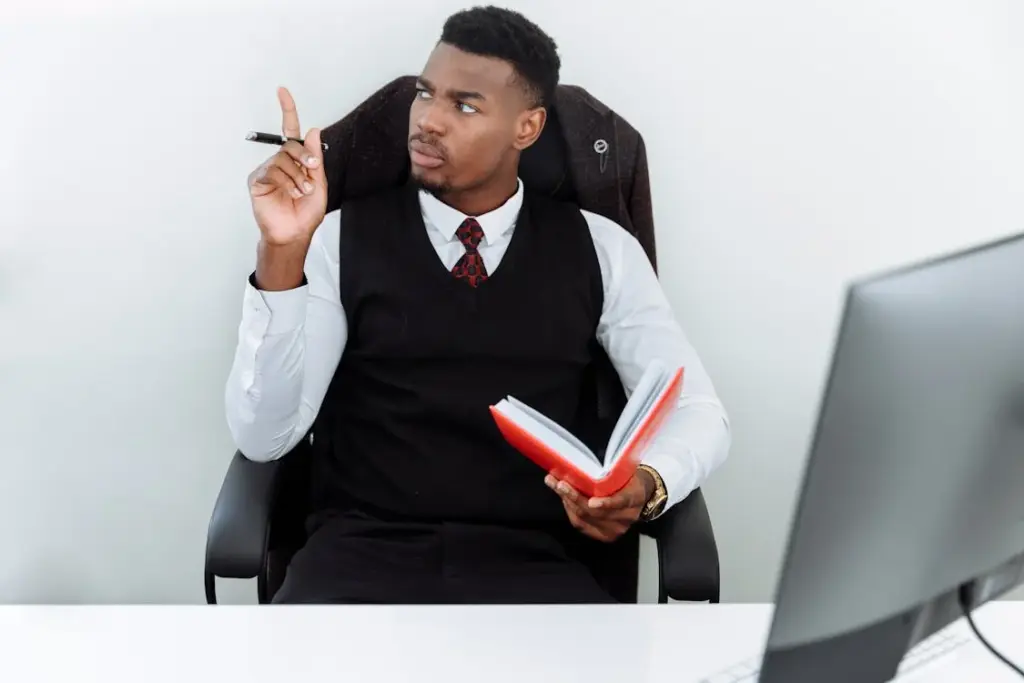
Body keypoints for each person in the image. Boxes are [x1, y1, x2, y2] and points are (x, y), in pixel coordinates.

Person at [225, 5, 730, 604]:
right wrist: (281, 253)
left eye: (464, 105)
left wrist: (648, 483)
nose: (428, 121)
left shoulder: (601, 249)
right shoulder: (337, 239)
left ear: (528, 127)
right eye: (424, 94)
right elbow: (266, 438)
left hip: (538, 572)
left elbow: (698, 409)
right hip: (357, 563)